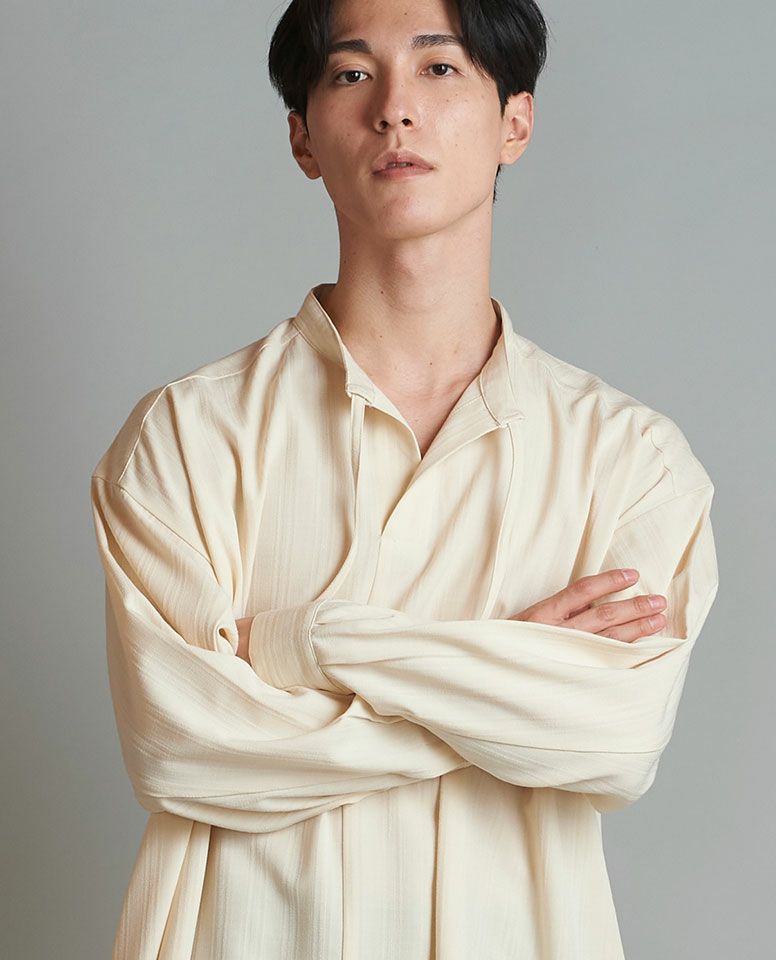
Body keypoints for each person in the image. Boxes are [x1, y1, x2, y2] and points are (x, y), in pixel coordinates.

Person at [89, 0, 719, 957]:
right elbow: (182, 749)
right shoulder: (184, 438)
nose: (394, 107)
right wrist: (506, 681)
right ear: (302, 138)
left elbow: (614, 740)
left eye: (440, 68)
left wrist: (302, 643)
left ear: (515, 121)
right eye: (351, 74)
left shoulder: (632, 460)